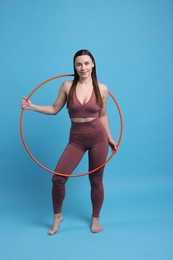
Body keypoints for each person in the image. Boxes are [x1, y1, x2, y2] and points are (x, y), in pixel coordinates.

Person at [21, 49, 117, 234]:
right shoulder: (67, 86)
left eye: (87, 63)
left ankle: (95, 219)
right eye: (79, 64)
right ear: (74, 66)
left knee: (96, 180)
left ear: (93, 64)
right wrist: (31, 106)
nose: (83, 68)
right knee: (58, 178)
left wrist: (110, 139)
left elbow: (103, 115)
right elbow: (54, 108)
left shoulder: (102, 88)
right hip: (76, 140)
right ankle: (57, 215)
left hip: (98, 138)